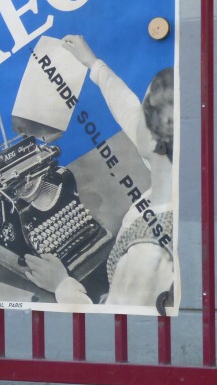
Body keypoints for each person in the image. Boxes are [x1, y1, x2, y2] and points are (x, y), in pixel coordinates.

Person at [22, 34, 175, 307]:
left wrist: (62, 285)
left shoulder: (147, 255)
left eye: (144, 113)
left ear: (155, 140)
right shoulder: (175, 162)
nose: (136, 116)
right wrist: (94, 65)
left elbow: (115, 322)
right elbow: (128, 110)